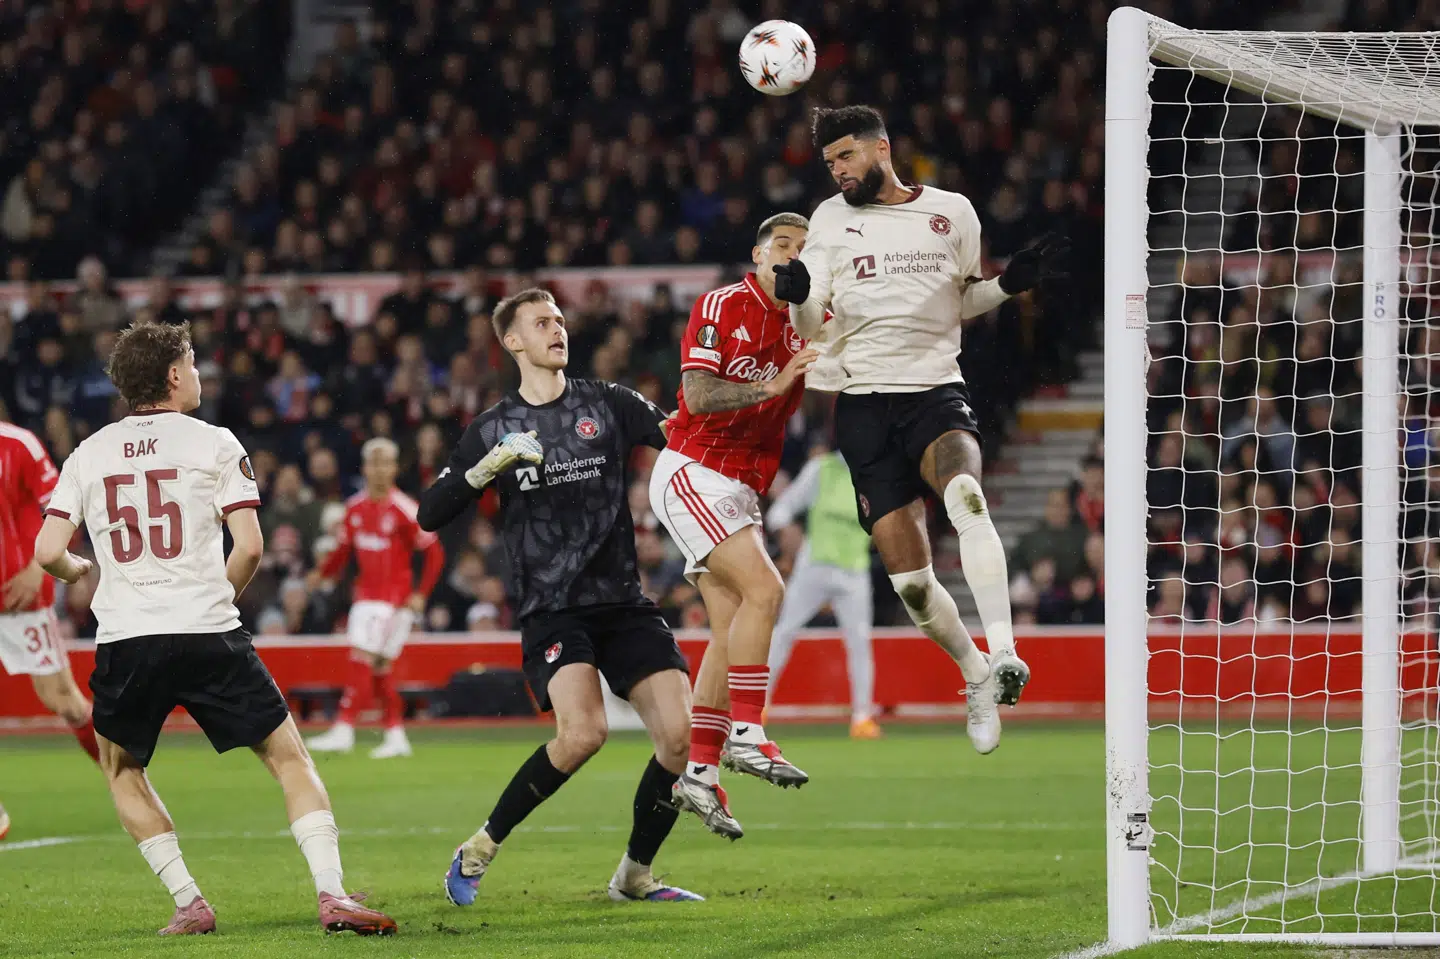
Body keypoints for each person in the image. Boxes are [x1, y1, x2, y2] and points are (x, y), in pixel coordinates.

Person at [32, 320, 395, 936]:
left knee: (121, 769)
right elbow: (250, 548)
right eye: (194, 363)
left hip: (126, 639)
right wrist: (210, 601)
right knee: (288, 758)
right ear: (174, 376)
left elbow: (47, 552)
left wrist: (79, 570)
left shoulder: (87, 453)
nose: (199, 374)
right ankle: (332, 895)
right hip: (207, 630)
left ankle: (189, 902)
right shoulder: (215, 443)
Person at [772, 105, 1069, 752]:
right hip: (860, 402)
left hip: (935, 389)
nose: (839, 172)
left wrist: (1006, 287)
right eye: (829, 164)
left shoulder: (953, 212)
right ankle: (976, 673)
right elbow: (811, 326)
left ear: (883, 147)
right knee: (911, 584)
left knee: (966, 495)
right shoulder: (828, 220)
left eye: (847, 157)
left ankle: (1006, 649)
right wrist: (797, 293)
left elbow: (958, 298)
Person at [418, 288, 702, 905]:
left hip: (623, 601)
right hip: (553, 608)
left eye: (560, 321)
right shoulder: (492, 428)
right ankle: (480, 848)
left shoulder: (608, 401)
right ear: (512, 341)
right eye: (541, 322)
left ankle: (634, 875)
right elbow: (430, 514)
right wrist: (484, 468)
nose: (557, 330)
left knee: (681, 738)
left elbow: (686, 437)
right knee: (583, 735)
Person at [647, 212, 816, 839]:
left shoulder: (808, 321)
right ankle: (747, 731)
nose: (792, 255)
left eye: (804, 249)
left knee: (729, 633)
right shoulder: (722, 303)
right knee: (767, 590)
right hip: (694, 469)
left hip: (742, 487)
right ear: (758, 253)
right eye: (782, 245)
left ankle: (699, 771)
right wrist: (774, 383)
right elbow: (697, 395)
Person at [306, 437, 444, 759]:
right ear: (365, 467)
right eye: (374, 462)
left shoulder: (405, 509)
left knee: (363, 657)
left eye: (386, 462)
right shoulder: (354, 508)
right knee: (380, 667)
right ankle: (396, 735)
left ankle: (343, 729)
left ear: (394, 468)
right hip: (368, 596)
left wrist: (422, 595)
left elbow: (435, 553)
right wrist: (322, 573)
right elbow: (342, 551)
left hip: (392, 599)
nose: (380, 469)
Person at [0, 415, 101, 775]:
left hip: (18, 599)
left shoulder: (18, 445)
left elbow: (64, 506)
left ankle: (123, 776)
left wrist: (35, 568)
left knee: (64, 701)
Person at [764, 441, 878, 739]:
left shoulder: (876, 474)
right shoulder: (821, 469)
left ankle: (862, 718)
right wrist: (787, 531)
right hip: (813, 567)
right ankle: (757, 707)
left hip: (854, 570)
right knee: (784, 631)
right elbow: (781, 510)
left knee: (860, 642)